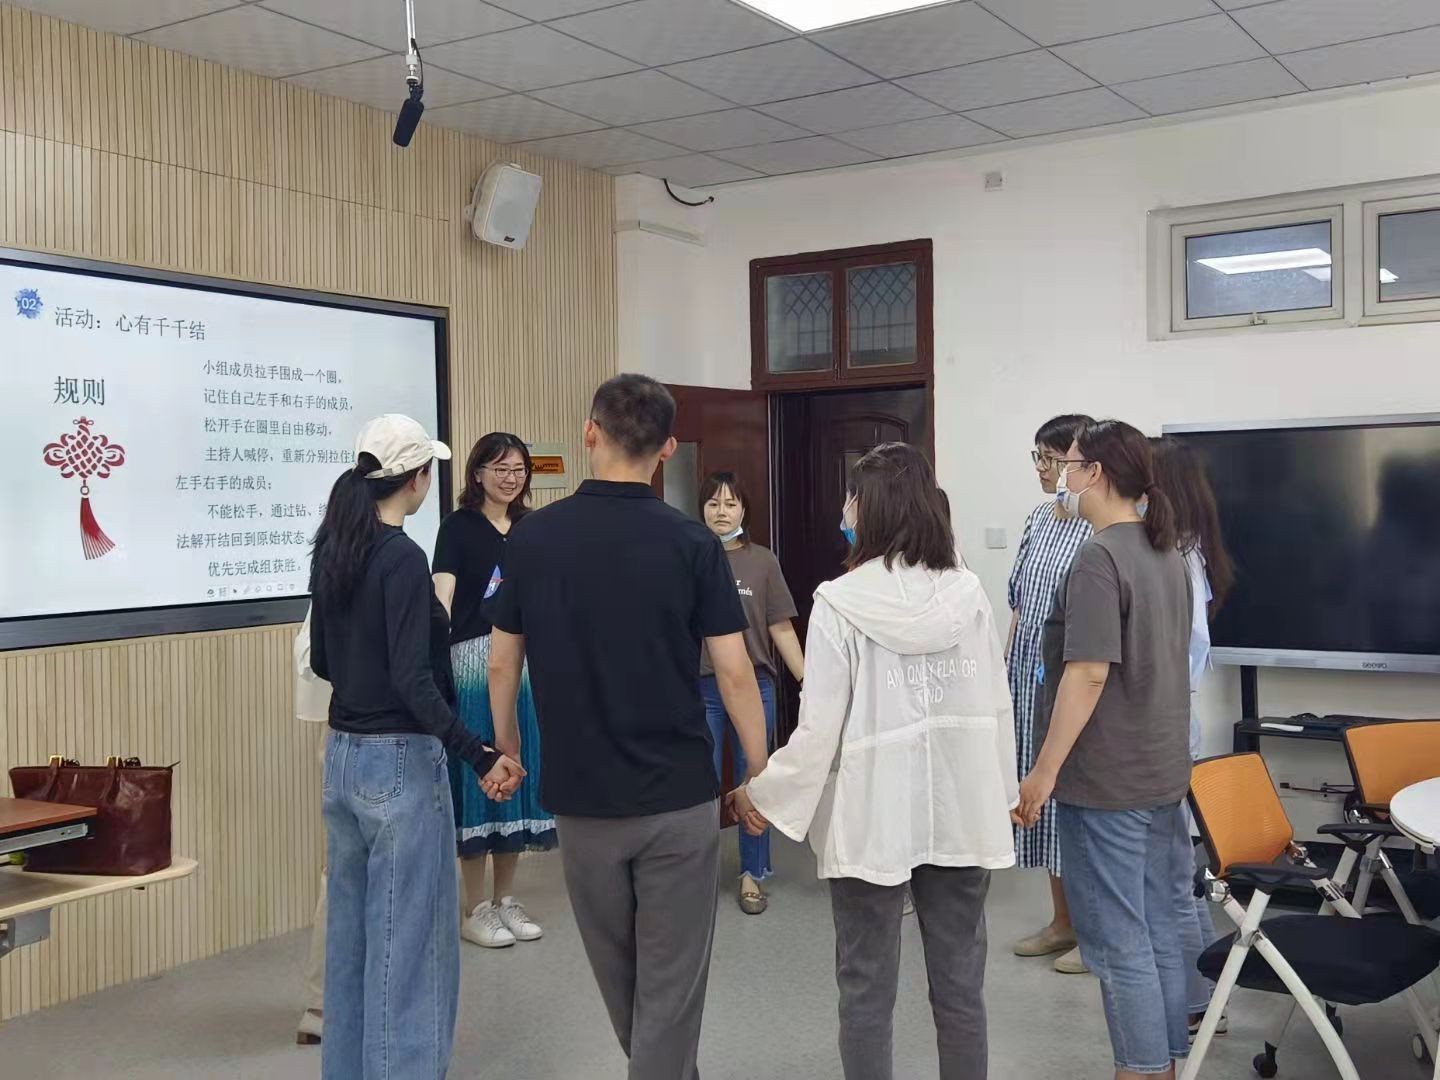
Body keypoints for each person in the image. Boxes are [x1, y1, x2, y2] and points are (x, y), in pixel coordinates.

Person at [486, 375, 769, 1080]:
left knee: (620, 977)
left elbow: (501, 661)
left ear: (590, 432)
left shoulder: (531, 537)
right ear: (668, 448)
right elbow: (735, 672)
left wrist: (507, 743)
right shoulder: (693, 543)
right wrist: (759, 770)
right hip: (678, 796)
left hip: (582, 798)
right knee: (671, 985)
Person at [732, 443, 1018, 1080]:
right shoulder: (968, 593)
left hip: (872, 815)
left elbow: (819, 729)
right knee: (961, 985)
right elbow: (996, 704)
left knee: (865, 987)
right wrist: (1002, 793)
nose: (844, 509)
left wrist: (763, 792)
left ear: (872, 508)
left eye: (851, 497)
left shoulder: (839, 602)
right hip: (961, 809)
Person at [308, 414, 524, 1080]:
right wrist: (479, 754)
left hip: (343, 759)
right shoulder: (401, 557)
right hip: (400, 765)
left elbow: (322, 661)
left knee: (352, 943)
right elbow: (414, 681)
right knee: (411, 950)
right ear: (418, 479)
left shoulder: (335, 546)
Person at [1017, 420, 1194, 1080]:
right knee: (1158, 926)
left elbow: (1087, 674)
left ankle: (1139, 1069)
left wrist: (1042, 772)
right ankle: (1165, 1064)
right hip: (1161, 772)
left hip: (1108, 783)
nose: (1062, 474)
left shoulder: (1099, 559)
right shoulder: (1166, 552)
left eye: (1069, 463)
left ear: (1095, 473)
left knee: (1119, 941)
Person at [433, 432, 556, 949]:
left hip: (523, 664)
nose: (510, 478)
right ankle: (475, 906)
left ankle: (506, 898)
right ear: (477, 473)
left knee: (518, 772)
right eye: (499, 468)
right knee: (479, 772)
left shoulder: (532, 527)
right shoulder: (457, 527)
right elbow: (442, 595)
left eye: (518, 469)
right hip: (469, 663)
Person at [1150, 437, 1235, 1040]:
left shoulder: (1176, 558)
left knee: (1172, 876)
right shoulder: (1188, 550)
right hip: (1177, 719)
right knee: (1177, 870)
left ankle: (1198, 1002)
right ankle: (1205, 995)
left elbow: (1181, 651)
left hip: (1167, 723)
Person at [1005, 414, 1094, 975]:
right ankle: (1063, 922)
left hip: (1069, 686)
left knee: (1075, 807)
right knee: (1041, 805)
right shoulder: (1038, 520)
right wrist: (1002, 668)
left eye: (1050, 459)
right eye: (1037, 457)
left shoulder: (1098, 529)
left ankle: (1095, 933)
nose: (1041, 468)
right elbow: (1019, 601)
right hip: (1026, 680)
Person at [697, 470, 804, 915]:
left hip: (756, 686)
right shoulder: (689, 556)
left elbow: (781, 627)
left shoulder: (763, 562)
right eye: (713, 504)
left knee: (754, 781)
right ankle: (697, 876)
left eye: (730, 504)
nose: (722, 512)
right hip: (701, 686)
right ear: (702, 510)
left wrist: (807, 680)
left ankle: (752, 874)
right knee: (698, 783)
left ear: (744, 510)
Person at [294, 602, 332, 1046]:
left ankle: (322, 1003)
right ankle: (322, 1002)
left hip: (348, 734)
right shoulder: (393, 570)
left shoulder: (331, 575)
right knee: (342, 872)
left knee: (340, 872)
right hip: (370, 738)